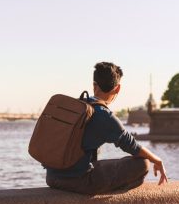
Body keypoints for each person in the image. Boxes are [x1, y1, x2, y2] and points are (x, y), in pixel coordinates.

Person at [46, 62, 168, 195]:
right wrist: (157, 160)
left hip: (52, 177)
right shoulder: (104, 115)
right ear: (118, 88)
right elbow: (133, 147)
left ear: (94, 85)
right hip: (78, 181)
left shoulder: (78, 105)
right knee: (143, 163)